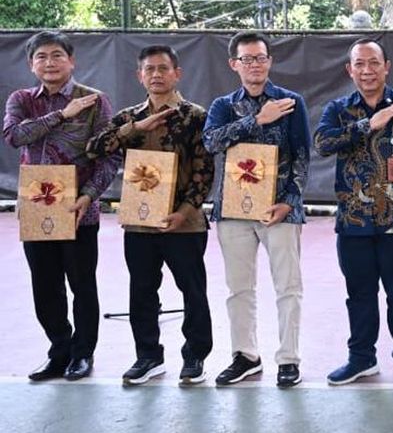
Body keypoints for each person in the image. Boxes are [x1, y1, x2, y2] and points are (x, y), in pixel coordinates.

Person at [87, 45, 215, 386]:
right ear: (139, 76)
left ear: (177, 73)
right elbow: (94, 149)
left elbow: (205, 171)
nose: (156, 74)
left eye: (163, 68)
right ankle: (148, 356)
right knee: (142, 290)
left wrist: (184, 212)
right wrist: (135, 128)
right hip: (139, 222)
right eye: (149, 69)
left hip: (184, 224)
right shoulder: (128, 118)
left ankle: (195, 356)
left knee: (193, 290)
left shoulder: (195, 116)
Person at [315, 38, 393, 387]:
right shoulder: (338, 109)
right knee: (359, 294)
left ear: (387, 67)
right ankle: (361, 358)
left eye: (374, 63)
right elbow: (323, 144)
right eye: (359, 64)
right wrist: (368, 125)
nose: (367, 70)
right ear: (349, 70)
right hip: (353, 220)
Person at [3, 31, 118, 382]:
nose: (49, 63)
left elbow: (109, 155)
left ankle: (82, 354)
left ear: (72, 61)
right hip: (37, 206)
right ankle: (59, 351)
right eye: (41, 57)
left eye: (57, 55)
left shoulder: (95, 101)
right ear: (31, 64)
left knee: (82, 285)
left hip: (79, 208)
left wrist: (89, 196)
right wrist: (62, 115)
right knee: (45, 286)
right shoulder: (22, 99)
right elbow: (14, 136)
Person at [203, 31, 310, 388]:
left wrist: (289, 202)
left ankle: (289, 359)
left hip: (280, 208)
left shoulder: (291, 102)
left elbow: (302, 156)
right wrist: (257, 120)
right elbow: (211, 142)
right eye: (247, 59)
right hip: (233, 210)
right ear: (234, 64)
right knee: (239, 288)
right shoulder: (222, 105)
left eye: (260, 58)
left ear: (270, 61)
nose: (255, 65)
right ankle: (245, 356)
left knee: (288, 286)